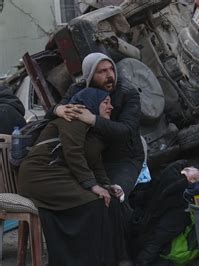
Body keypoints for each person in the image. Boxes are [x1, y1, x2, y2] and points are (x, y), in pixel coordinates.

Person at [18, 88, 130, 266]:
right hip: (40, 176)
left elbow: (95, 163)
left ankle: (113, 259)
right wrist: (93, 186)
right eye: (106, 102)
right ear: (92, 103)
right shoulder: (73, 118)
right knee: (93, 203)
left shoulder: (93, 130)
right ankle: (80, 260)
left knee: (112, 201)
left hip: (62, 174)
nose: (111, 106)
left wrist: (107, 185)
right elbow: (73, 153)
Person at [46, 52, 143, 199]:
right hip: (93, 159)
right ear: (90, 75)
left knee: (114, 199)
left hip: (123, 159)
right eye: (102, 71)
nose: (110, 75)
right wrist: (57, 109)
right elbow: (54, 113)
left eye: (111, 69)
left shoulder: (127, 93)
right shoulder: (78, 90)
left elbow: (127, 131)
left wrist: (93, 119)